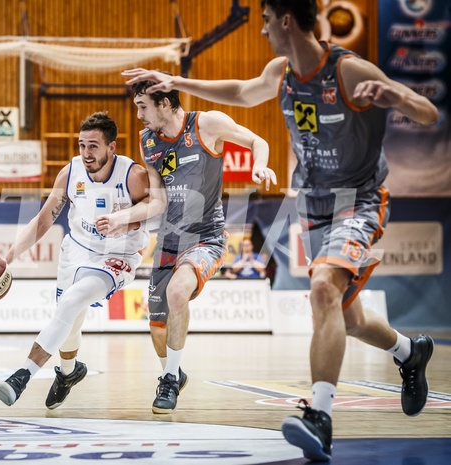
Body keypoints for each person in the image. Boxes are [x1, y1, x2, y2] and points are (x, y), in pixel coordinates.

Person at [122, 0, 439, 461]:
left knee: (323, 289)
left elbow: (428, 113)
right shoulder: (282, 70)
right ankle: (411, 352)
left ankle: (319, 416)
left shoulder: (348, 71)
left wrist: (399, 99)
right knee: (345, 317)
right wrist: (179, 80)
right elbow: (241, 91)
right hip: (314, 201)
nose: (263, 30)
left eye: (267, 21)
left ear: (286, 20)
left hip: (357, 200)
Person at [114, 75, 276, 415]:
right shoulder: (148, 141)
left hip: (207, 236)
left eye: (142, 106)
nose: (139, 115)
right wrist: (123, 217)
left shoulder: (207, 124)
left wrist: (259, 167)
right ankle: (175, 370)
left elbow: (257, 141)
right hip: (169, 240)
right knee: (157, 329)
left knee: (178, 292)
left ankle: (169, 380)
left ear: (164, 103)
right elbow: (157, 203)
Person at [0, 111, 166, 409]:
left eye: (93, 146)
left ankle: (22, 375)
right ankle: (68, 373)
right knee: (69, 321)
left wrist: (125, 220)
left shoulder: (133, 175)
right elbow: (45, 218)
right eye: (81, 145)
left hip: (117, 255)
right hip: (75, 250)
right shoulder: (70, 172)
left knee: (72, 301)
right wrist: (11, 255)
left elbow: (158, 209)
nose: (86, 153)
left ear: (111, 147)